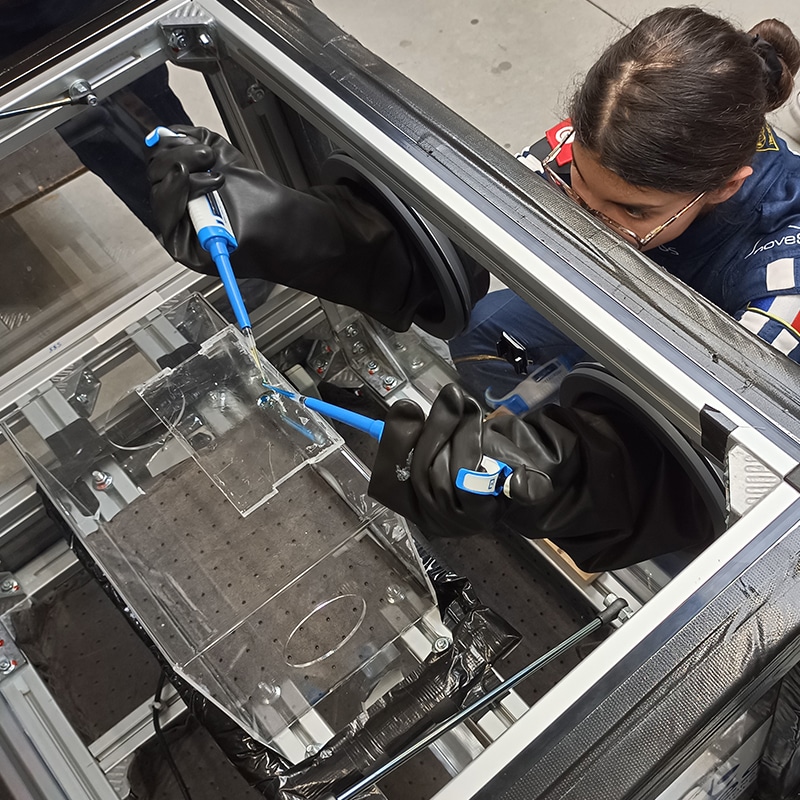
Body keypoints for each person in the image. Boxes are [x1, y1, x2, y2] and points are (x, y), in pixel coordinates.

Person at [145, 7, 800, 571]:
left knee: (696, 528)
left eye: (629, 211)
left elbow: (735, 455)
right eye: (581, 190)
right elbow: (464, 227)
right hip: (628, 311)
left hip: (716, 377)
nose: (593, 219)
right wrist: (288, 228)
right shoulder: (590, 146)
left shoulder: (784, 259)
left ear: (726, 186)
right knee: (487, 333)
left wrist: (575, 485)